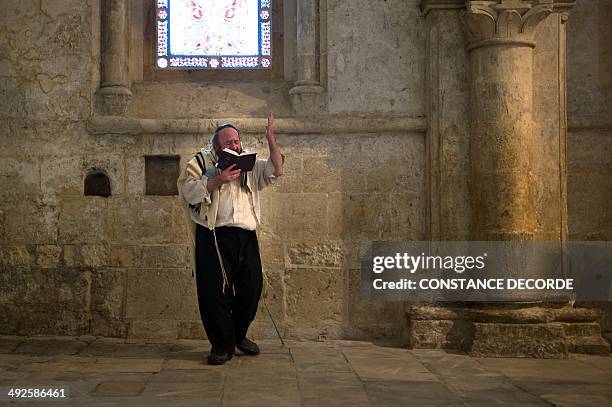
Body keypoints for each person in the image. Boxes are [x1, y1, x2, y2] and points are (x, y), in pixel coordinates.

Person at [177, 112, 283, 365]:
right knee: (215, 293)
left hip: (245, 235)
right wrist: (217, 180)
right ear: (216, 146)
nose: (234, 146)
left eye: (236, 142)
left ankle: (238, 335)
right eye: (228, 143)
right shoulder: (200, 163)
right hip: (213, 234)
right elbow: (189, 193)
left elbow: (276, 170)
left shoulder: (249, 163)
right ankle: (221, 346)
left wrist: (271, 140)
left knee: (252, 288)